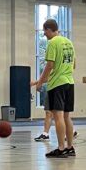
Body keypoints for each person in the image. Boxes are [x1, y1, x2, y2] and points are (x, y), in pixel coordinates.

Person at [31, 19, 76, 158]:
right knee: (67, 116)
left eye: (44, 32)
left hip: (57, 85)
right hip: (69, 82)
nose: (44, 34)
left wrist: (40, 83)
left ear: (49, 29)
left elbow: (49, 66)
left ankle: (61, 148)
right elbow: (73, 65)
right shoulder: (69, 42)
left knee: (58, 117)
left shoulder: (52, 43)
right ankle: (70, 147)